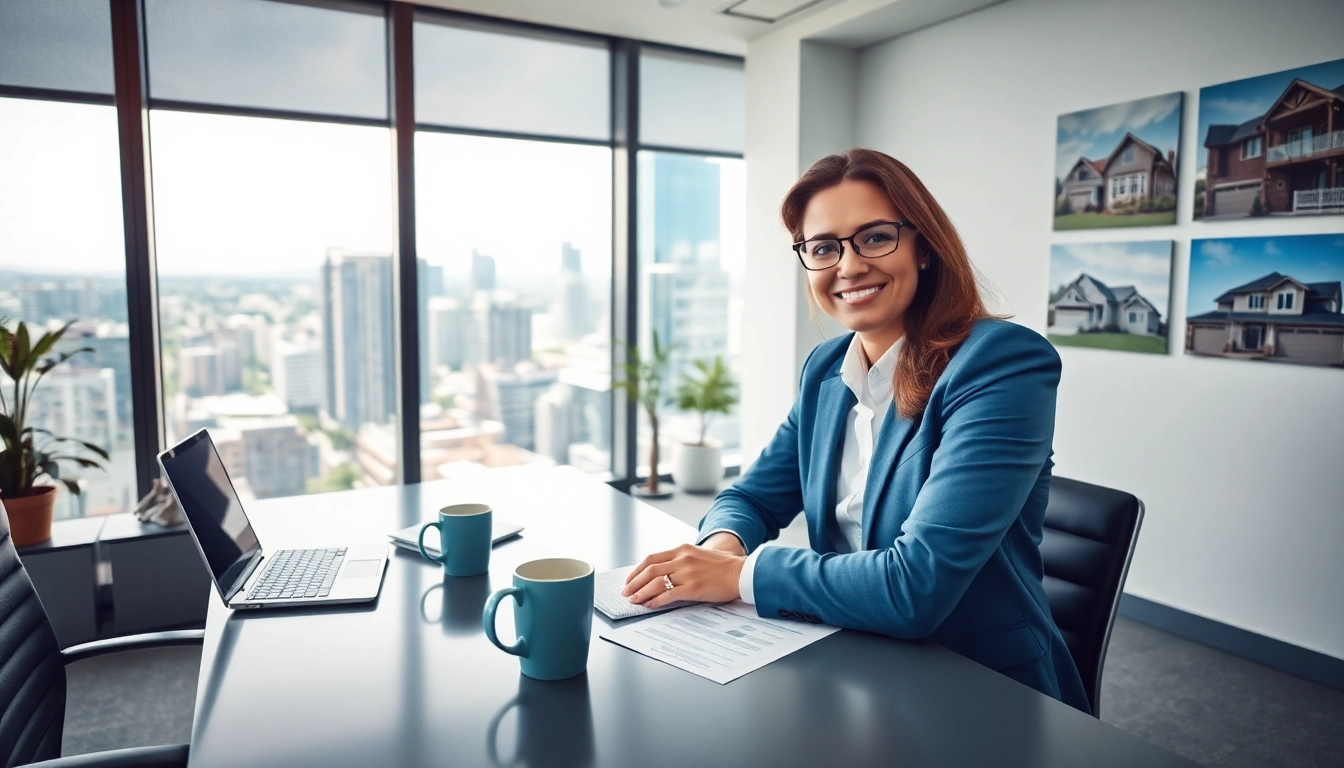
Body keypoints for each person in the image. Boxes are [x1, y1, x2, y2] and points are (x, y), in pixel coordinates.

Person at [622, 148, 1089, 713]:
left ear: (923, 247)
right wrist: (721, 548)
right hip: (852, 663)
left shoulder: (1001, 364)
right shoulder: (826, 370)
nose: (848, 266)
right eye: (823, 248)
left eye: (874, 238)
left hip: (976, 688)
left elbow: (915, 586)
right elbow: (752, 497)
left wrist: (740, 576)